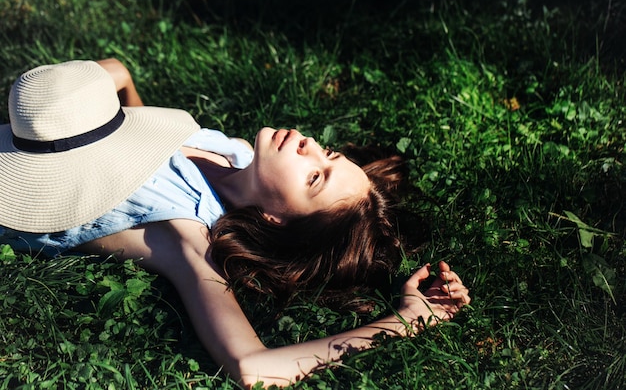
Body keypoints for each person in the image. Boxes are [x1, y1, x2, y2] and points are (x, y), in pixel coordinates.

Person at [0, 59, 471, 388]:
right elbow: (146, 142)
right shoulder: (236, 153)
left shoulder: (184, 232)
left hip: (15, 190)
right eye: (328, 155)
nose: (308, 144)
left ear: (274, 219)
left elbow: (254, 368)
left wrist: (409, 319)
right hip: (26, 140)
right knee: (109, 71)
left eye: (313, 178)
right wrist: (118, 91)